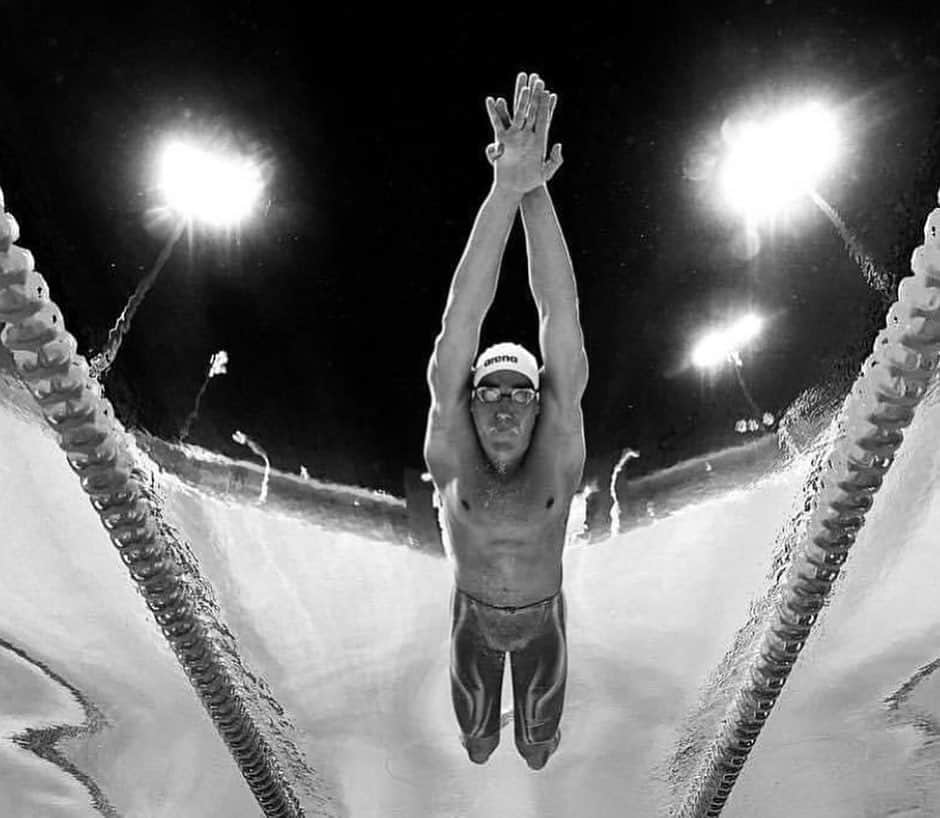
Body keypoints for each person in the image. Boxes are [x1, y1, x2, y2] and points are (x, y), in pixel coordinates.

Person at [423, 71, 588, 770]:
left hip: (544, 618)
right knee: (481, 749)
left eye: (520, 392)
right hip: (472, 621)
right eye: (489, 391)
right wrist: (504, 189)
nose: (503, 407)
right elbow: (462, 317)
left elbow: (557, 311)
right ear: (467, 397)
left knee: (538, 753)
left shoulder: (558, 444)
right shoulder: (451, 449)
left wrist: (531, 187)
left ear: (542, 398)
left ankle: (536, 741)